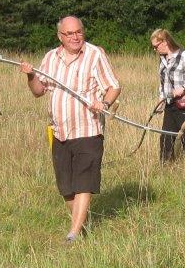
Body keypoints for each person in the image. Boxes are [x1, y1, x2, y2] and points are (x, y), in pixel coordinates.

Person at [19, 16, 121, 242]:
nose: (75, 37)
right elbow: (38, 91)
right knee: (67, 188)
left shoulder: (95, 55)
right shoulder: (50, 58)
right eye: (70, 34)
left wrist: (104, 104)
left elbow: (114, 86)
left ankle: (73, 233)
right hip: (60, 132)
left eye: (79, 32)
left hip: (88, 129)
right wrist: (30, 75)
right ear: (60, 37)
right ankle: (81, 226)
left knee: (84, 182)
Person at [151, 28, 185, 162]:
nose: (155, 50)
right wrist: (161, 100)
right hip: (170, 104)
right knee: (166, 138)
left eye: (155, 46)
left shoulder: (184, 56)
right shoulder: (162, 60)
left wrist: (183, 89)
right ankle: (166, 167)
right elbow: (163, 83)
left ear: (165, 42)